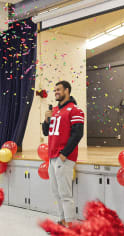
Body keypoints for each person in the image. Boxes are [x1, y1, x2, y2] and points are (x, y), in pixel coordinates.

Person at [42, 80, 85, 227]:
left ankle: (70, 224)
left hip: (63, 158)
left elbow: (78, 134)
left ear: (67, 90)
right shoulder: (54, 110)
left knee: (65, 194)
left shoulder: (75, 109)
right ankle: (62, 220)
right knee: (56, 193)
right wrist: (46, 120)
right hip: (52, 157)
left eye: (58, 90)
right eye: (55, 91)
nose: (56, 93)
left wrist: (64, 154)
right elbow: (46, 132)